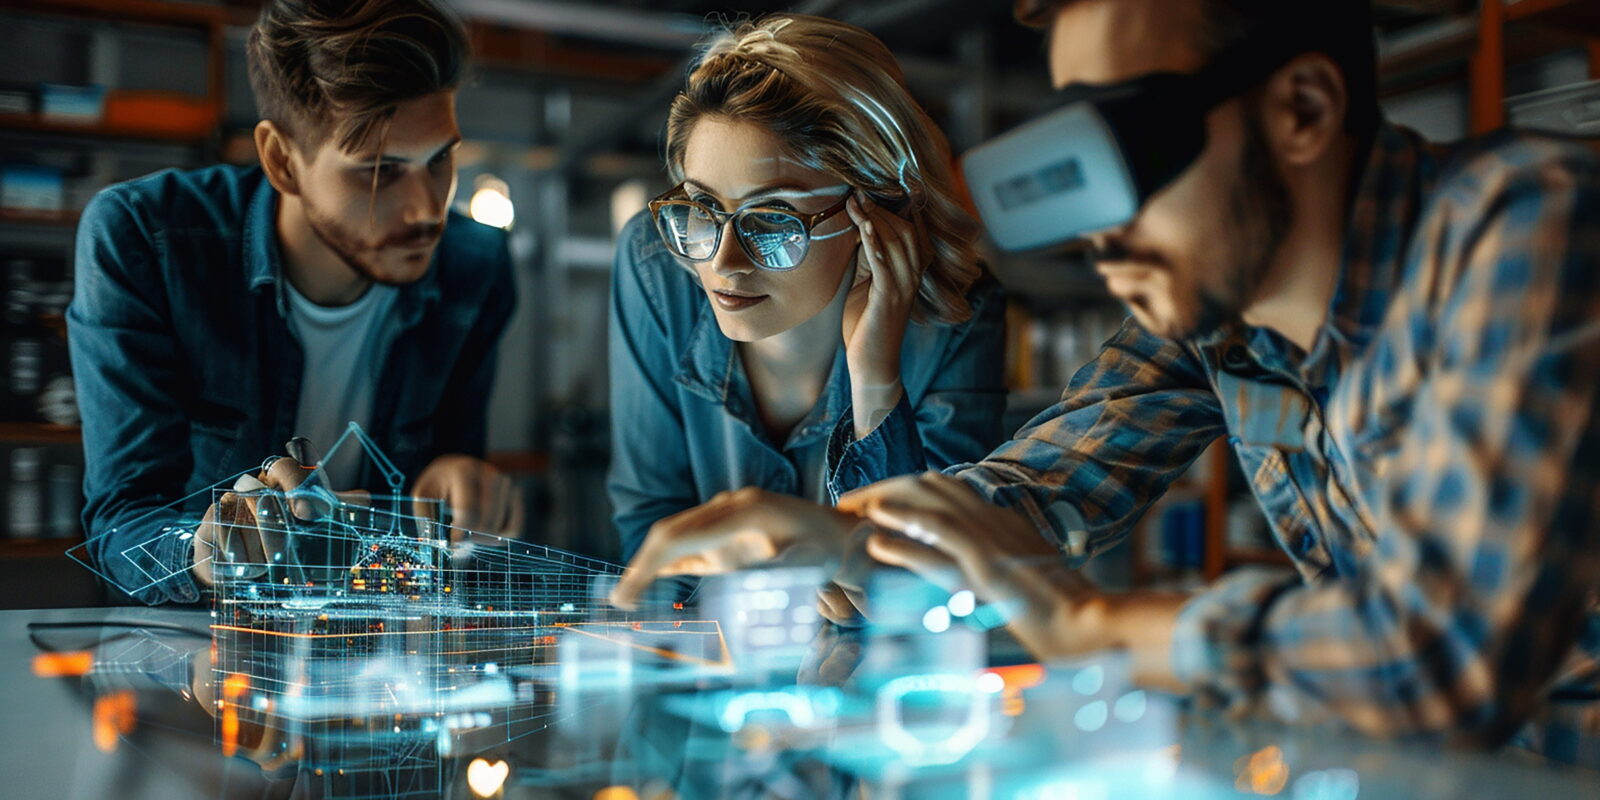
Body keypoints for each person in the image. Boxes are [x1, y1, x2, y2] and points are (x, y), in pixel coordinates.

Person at [611, 0, 1600, 764]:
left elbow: (1439, 654)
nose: (1096, 226)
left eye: (1129, 146)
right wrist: (859, 538)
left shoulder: (1521, 226)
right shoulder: (1210, 324)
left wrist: (1090, 622)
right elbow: (1032, 492)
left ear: (1302, 107)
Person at [69, 0, 522, 604]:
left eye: (440, 159)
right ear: (283, 159)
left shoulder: (477, 266)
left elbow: (445, 475)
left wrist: (457, 478)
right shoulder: (143, 240)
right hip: (199, 651)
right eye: (380, 171)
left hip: (377, 649)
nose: (426, 210)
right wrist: (202, 553)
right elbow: (121, 522)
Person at [607, 14, 1007, 561]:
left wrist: (875, 384)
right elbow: (653, 522)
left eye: (772, 220)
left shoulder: (960, 318)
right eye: (702, 208)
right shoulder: (654, 265)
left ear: (876, 211)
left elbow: (930, 579)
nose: (724, 262)